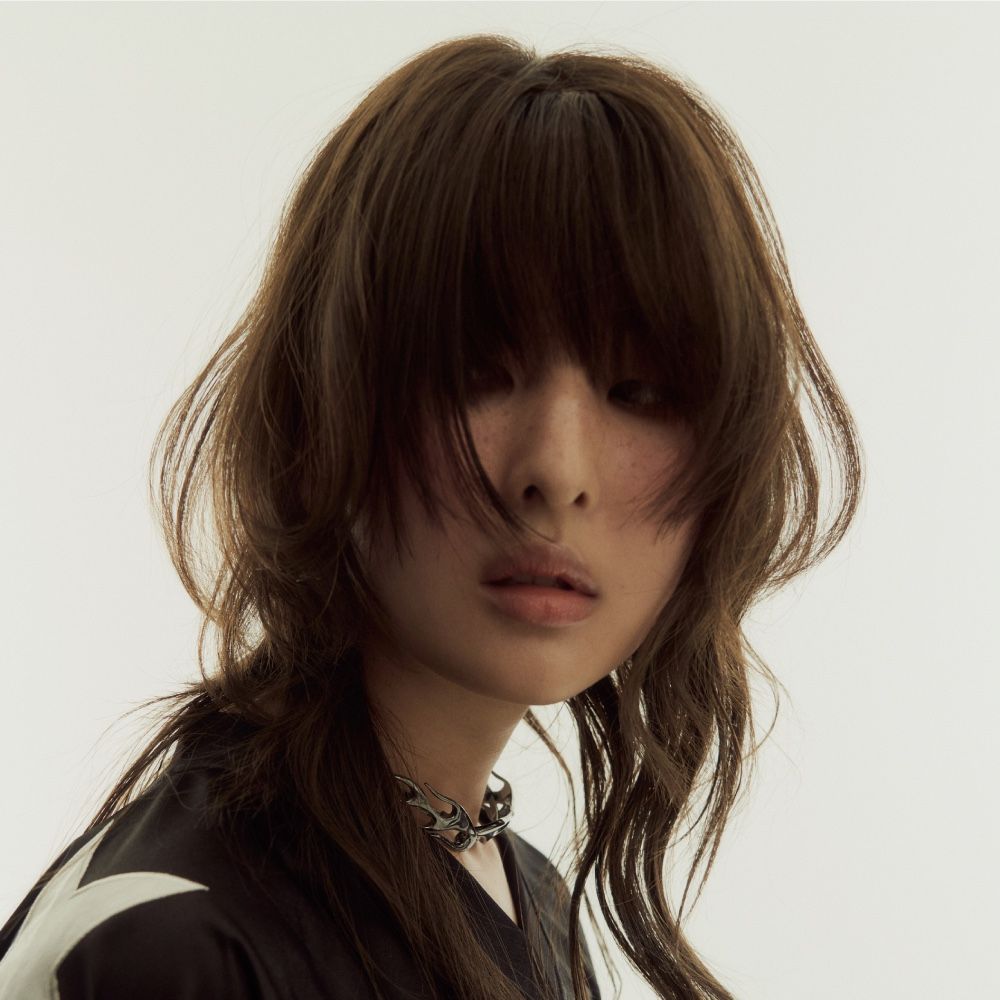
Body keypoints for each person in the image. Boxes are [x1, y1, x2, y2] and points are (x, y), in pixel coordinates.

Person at [0, 32, 864, 1000]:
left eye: (641, 388)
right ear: (325, 404)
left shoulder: (522, 900)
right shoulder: (177, 944)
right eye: (473, 372)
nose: (555, 471)